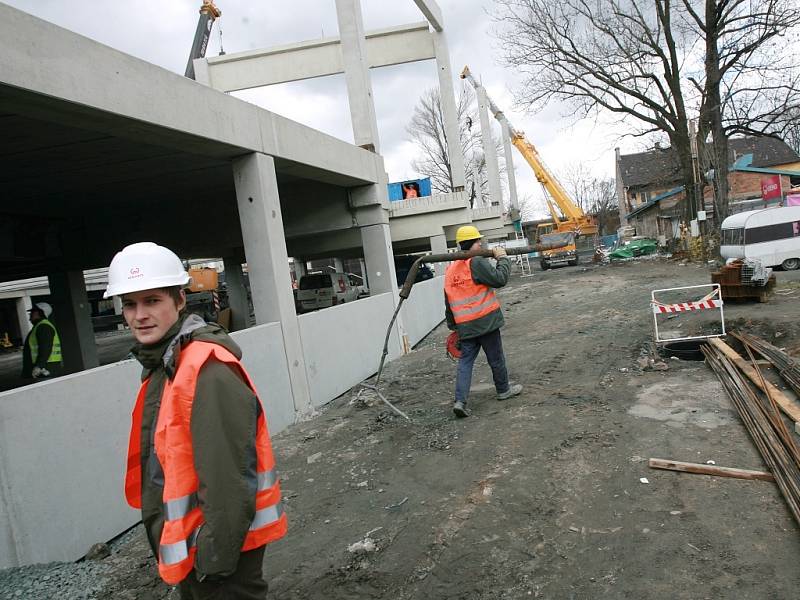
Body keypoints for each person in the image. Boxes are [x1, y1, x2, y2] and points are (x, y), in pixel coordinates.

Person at [104, 242, 286, 599]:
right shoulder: (166, 365)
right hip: (197, 543)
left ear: (180, 301)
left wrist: (213, 559)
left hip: (220, 554)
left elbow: (229, 478)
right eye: (130, 304)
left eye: (152, 300)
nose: (139, 315)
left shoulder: (206, 369)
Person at [444, 226, 522, 418]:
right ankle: (503, 390)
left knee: (465, 363)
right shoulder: (476, 261)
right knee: (495, 358)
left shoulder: (451, 268)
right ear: (472, 244)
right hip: (486, 322)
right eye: (479, 241)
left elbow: (448, 299)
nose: (481, 244)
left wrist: (454, 326)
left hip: (466, 326)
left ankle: (460, 401)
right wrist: (503, 258)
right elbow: (500, 279)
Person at [21, 302, 63, 380]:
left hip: (45, 369)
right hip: (44, 368)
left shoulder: (44, 327)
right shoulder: (39, 326)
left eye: (32, 312)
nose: (30, 315)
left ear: (38, 313)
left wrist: (39, 366)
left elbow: (46, 348)